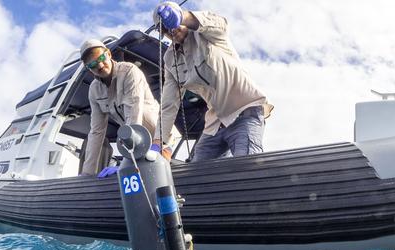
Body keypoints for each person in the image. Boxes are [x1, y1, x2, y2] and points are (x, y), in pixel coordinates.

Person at [152, 2, 273, 162]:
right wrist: (158, 143)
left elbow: (221, 24)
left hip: (245, 112)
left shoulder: (204, 33)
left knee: (247, 168)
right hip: (215, 124)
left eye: (172, 24)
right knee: (197, 175)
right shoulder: (169, 59)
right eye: (164, 29)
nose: (171, 30)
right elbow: (169, 105)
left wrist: (183, 17)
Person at [80, 39, 161, 177]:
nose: (100, 65)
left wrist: (127, 163)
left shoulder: (129, 71)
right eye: (93, 64)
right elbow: (96, 131)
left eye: (101, 58)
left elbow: (133, 115)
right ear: (89, 69)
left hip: (159, 138)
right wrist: (87, 173)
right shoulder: (94, 90)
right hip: (134, 141)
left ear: (109, 54)